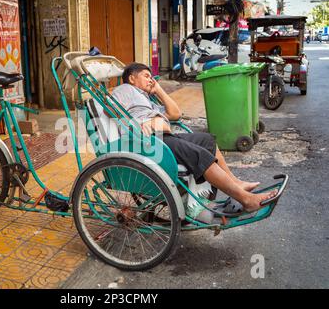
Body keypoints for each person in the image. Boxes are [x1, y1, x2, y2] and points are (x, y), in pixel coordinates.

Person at [111, 63, 277, 221]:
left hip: (163, 136)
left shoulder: (146, 100)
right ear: (132, 78)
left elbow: (176, 114)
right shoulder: (125, 89)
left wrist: (159, 90)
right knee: (200, 156)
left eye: (151, 77)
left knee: (207, 141)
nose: (151, 80)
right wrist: (138, 124)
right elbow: (110, 109)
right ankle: (247, 200)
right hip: (148, 142)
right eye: (146, 76)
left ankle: (236, 183)